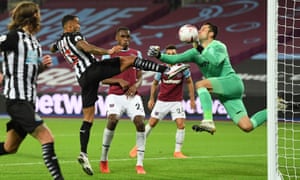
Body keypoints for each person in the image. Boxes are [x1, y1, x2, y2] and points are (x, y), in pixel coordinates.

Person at [50, 15, 189, 176]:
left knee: (88, 118)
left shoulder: (61, 42)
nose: (79, 26)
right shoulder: (75, 36)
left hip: (82, 78)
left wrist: (56, 44)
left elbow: (53, 48)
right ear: (68, 27)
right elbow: (86, 48)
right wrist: (108, 51)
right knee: (130, 60)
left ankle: (83, 153)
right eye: (76, 24)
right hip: (91, 69)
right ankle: (167, 70)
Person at [147, 22, 267, 134]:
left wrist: (199, 48)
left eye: (203, 29)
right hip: (225, 94)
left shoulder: (219, 46)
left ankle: (208, 121)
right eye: (199, 29)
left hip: (232, 82)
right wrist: (158, 55)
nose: (199, 31)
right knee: (247, 126)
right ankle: (273, 109)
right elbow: (175, 59)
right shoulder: (195, 52)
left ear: (211, 34)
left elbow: (215, 61)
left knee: (200, 84)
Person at [0, 2, 64, 180]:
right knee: (47, 137)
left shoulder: (34, 42)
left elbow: (31, 70)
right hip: (17, 100)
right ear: (32, 16)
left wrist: (41, 66)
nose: (40, 16)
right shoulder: (14, 37)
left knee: (9, 148)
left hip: (28, 100)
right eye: (38, 13)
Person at [129, 45, 196, 159]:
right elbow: (155, 83)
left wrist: (192, 99)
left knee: (181, 124)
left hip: (176, 102)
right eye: (169, 54)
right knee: (152, 123)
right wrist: (151, 98)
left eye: (173, 54)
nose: (171, 56)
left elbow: (189, 82)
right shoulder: (162, 68)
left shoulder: (182, 68)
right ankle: (137, 147)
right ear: (165, 55)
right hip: (162, 101)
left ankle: (177, 152)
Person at [99, 26, 147, 174]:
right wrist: (119, 81)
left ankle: (139, 164)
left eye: (128, 37)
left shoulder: (136, 54)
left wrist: (135, 85)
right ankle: (104, 159)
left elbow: (140, 77)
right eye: (123, 36)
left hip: (132, 96)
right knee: (112, 120)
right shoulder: (108, 56)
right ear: (116, 38)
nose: (126, 39)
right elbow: (102, 79)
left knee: (140, 122)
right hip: (115, 95)